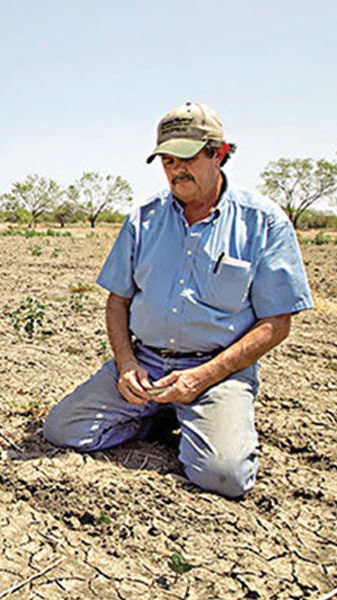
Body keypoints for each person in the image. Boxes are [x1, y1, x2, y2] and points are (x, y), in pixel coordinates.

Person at [43, 101, 314, 498]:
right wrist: (126, 365)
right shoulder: (143, 220)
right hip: (147, 363)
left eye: (186, 158)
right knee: (62, 429)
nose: (176, 170)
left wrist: (201, 378)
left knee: (224, 477)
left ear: (219, 154)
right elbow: (117, 301)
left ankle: (204, 417)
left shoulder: (263, 222)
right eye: (167, 160)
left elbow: (277, 324)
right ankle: (154, 414)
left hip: (216, 372)